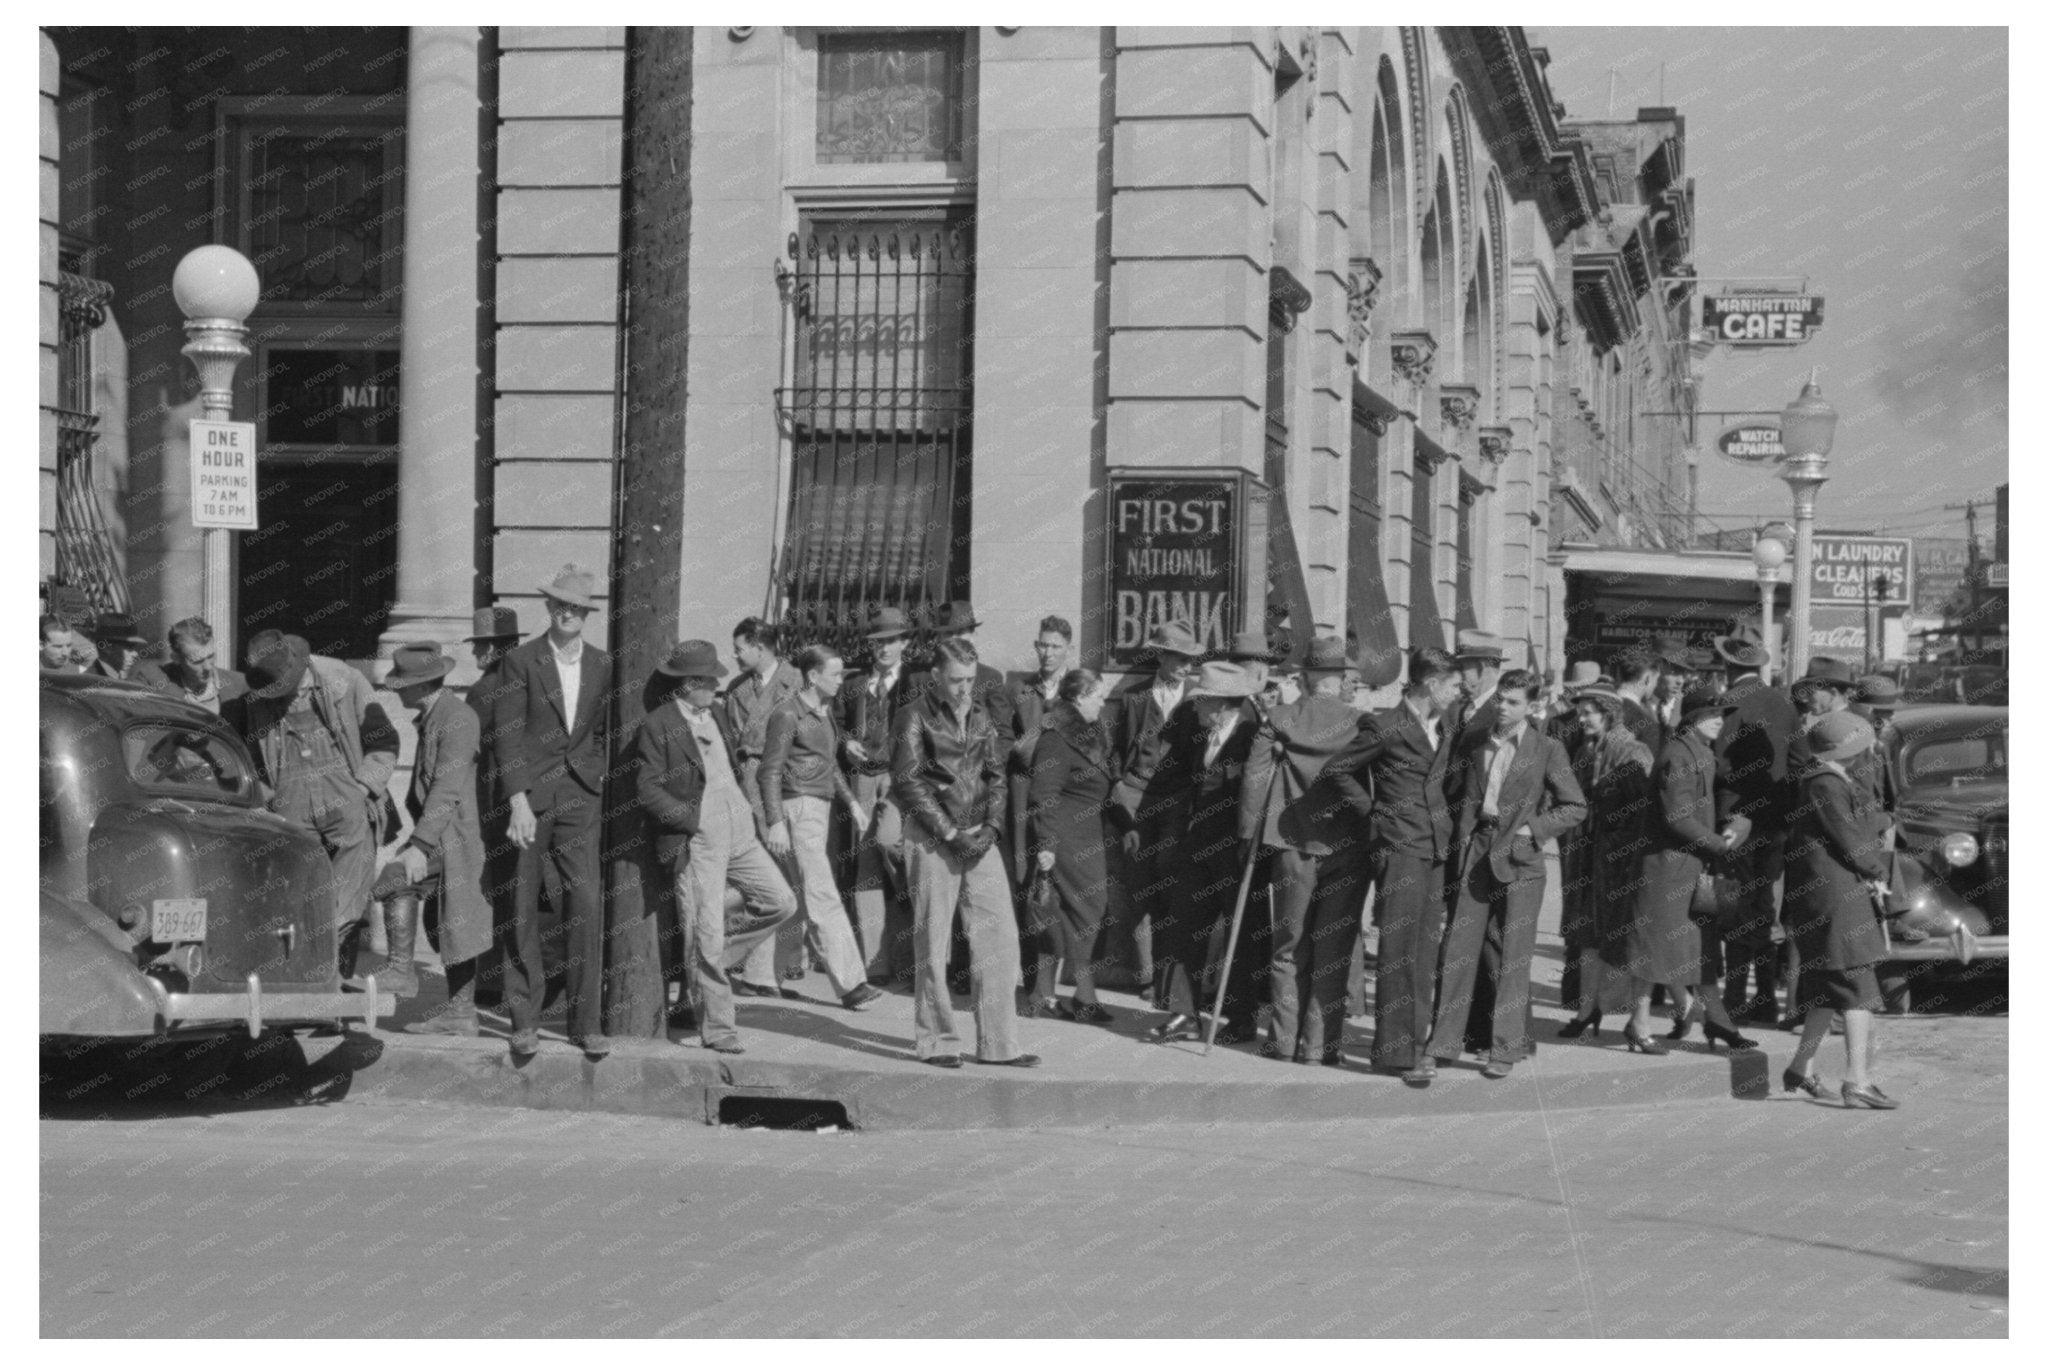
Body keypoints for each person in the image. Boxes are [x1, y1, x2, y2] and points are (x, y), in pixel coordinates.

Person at [1410, 669, 1585, 1083]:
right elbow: (1454, 793)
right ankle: (1442, 1046)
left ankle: (1505, 1047)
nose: (1502, 708)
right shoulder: (1474, 741)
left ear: (1532, 706)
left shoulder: (1547, 748)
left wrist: (1534, 829)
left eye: (1512, 702)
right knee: (1457, 950)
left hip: (1522, 861)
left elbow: (1575, 806)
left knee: (1513, 958)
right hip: (1476, 855)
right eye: (1500, 700)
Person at [636, 640, 799, 1056]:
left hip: (741, 831)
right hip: (700, 840)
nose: (715, 684)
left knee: (781, 902)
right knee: (704, 933)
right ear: (687, 684)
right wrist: (691, 823)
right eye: (707, 679)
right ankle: (719, 1028)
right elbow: (647, 788)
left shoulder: (719, 713)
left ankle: (705, 966)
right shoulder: (659, 724)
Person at [892, 636, 1038, 1068]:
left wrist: (992, 826)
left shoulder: (980, 714)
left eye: (970, 680)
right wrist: (951, 833)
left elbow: (996, 773)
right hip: (933, 836)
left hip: (978, 835)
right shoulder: (912, 715)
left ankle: (998, 1045)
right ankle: (937, 1041)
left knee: (1000, 937)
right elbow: (908, 783)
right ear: (936, 676)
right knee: (933, 942)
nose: (963, 689)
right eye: (956, 680)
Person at [490, 564, 615, 1058]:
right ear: (548, 609)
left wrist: (596, 774)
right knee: (522, 904)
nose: (568, 613)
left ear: (587, 614)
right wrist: (518, 800)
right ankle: (524, 1021)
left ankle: (585, 1023)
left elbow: (602, 729)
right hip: (531, 798)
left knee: (584, 902)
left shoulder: (603, 664)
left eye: (577, 607)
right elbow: (507, 733)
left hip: (581, 796)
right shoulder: (521, 661)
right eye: (560, 605)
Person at [1324, 645, 1460, 1074]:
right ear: (1431, 684)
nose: (1458, 693)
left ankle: (1413, 1044)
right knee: (1400, 951)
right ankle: (1396, 1053)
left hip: (1435, 847)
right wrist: (1376, 814)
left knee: (1423, 949)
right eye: (1453, 685)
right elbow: (1339, 769)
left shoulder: (1445, 725)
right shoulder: (1386, 725)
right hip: (1400, 846)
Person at [241, 629, 401, 983]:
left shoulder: (344, 680)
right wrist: (266, 800)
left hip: (345, 792)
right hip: (290, 802)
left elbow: (384, 740)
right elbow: (255, 756)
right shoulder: (257, 697)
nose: (288, 695)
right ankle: (300, 978)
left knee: (349, 893)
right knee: (297, 892)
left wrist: (363, 787)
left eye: (290, 685)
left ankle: (332, 980)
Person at [1237, 636, 1370, 1065]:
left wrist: (1247, 837)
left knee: (1288, 946)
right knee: (1334, 949)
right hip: (1347, 846)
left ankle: (1281, 1040)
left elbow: (1254, 780)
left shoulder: (1279, 718)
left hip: (1291, 843)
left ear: (1307, 677)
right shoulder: (1361, 723)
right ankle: (1320, 1046)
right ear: (1343, 677)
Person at [1625, 689, 1756, 1055]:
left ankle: (1703, 1015)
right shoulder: (1679, 754)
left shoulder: (1699, 751)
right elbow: (1677, 817)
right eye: (1711, 713)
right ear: (1691, 719)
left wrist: (1735, 825)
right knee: (1653, 951)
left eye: (1722, 713)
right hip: (1665, 868)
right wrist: (1719, 843)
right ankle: (1639, 1024)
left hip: (1687, 866)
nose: (1719, 719)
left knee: (1692, 949)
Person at [1141, 659, 1265, 1044]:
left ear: (1223, 703)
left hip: (1239, 848)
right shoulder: (1201, 730)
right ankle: (1184, 1013)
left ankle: (1242, 1018)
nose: (1194, 707)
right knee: (1185, 924)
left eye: (1201, 701)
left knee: (1242, 933)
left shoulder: (1252, 736)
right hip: (1199, 842)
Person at [1780, 712, 1899, 1108]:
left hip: (1823, 895)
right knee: (1857, 988)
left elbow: (1853, 824)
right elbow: (1849, 837)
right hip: (1836, 896)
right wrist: (1877, 870)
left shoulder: (1823, 779)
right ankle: (1858, 1081)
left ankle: (1801, 1068)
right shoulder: (1826, 783)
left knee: (1825, 990)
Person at [758, 643, 884, 1011]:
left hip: (818, 808)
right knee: (822, 897)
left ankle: (762, 977)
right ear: (813, 676)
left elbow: (828, 764)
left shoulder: (823, 712)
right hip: (798, 808)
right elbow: (770, 770)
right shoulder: (787, 714)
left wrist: (852, 805)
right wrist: (776, 821)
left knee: (794, 897)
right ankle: (851, 985)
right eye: (834, 674)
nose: (840, 680)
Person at [372, 644, 491, 1029]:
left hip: (457, 836)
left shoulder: (456, 718)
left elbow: (447, 787)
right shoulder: (436, 714)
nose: (396, 691)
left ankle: (402, 971)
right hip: (444, 833)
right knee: (454, 923)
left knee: (397, 881)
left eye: (401, 684)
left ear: (421, 685)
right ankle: (460, 1013)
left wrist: (418, 846)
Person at [1105, 618, 1203, 994]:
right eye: (1179, 657)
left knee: (1171, 883)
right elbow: (1116, 748)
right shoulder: (1134, 697)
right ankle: (1145, 975)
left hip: (1177, 798)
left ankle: (1169, 977)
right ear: (1161, 656)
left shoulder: (1198, 698)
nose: (1186, 666)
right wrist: (1117, 786)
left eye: (1190, 659)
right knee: (1138, 884)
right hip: (1135, 793)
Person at [1712, 628, 1800, 1027]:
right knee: (1764, 908)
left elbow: (1717, 767)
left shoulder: (1728, 703)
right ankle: (1765, 997)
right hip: (1775, 823)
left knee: (1736, 909)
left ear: (1728, 664)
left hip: (1736, 822)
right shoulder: (1783, 703)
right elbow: (1800, 761)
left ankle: (1735, 1000)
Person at [1555, 686, 1655, 1040]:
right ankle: (1587, 1009)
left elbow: (1645, 812)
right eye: (1579, 712)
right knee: (1586, 936)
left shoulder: (1633, 751)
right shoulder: (1586, 749)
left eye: (1588, 713)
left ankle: (1640, 1020)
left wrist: (1618, 845)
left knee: (1624, 937)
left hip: (1618, 863)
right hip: (1586, 857)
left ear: (1609, 713)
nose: (1580, 720)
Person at [1023, 668, 1118, 1024]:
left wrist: (1126, 825)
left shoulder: (1091, 733)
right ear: (1079, 698)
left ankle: (1043, 995)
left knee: (1061, 914)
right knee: (1090, 910)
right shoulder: (1057, 737)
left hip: (1085, 835)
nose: (1104, 702)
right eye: (1098, 696)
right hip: (1064, 838)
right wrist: (1046, 844)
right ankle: (1084, 996)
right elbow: (1042, 794)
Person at [725, 617, 805, 992]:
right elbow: (730, 745)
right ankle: (752, 969)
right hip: (746, 785)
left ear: (760, 646)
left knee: (791, 876)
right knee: (753, 878)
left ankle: (782, 966)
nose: (735, 654)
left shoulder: (798, 682)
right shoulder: (736, 689)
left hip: (786, 783)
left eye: (740, 646)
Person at [838, 607, 915, 982]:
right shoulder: (855, 684)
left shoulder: (916, 683)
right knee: (866, 865)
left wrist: (900, 774)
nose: (883, 649)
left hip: (900, 780)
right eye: (877, 643)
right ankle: (876, 963)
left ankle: (912, 956)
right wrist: (846, 742)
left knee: (897, 851)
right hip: (862, 779)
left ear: (904, 643)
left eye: (890, 642)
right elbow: (833, 723)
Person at [462, 606, 525, 1018]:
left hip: (493, 804)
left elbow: (473, 753)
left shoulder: (484, 691)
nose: (476, 653)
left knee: (490, 891)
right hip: (528, 802)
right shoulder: (530, 683)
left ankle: (488, 979)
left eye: (482, 646)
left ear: (499, 648)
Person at [134, 617, 248, 720]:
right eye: (197, 661)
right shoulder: (152, 682)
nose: (208, 667)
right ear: (176, 658)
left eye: (211, 656)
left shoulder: (240, 685)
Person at [1446, 630, 1505, 738]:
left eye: (1461, 669)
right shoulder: (1459, 710)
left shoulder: (1505, 711)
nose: (1458, 679)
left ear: (1480, 668)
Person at [1612, 648, 1666, 752]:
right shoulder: (1646, 724)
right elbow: (1648, 764)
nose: (1656, 685)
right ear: (1647, 678)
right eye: (1656, 679)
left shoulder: (1594, 707)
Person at [87, 611, 150, 681]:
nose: (135, 654)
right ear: (105, 647)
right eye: (129, 647)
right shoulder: (88, 681)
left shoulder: (130, 678)